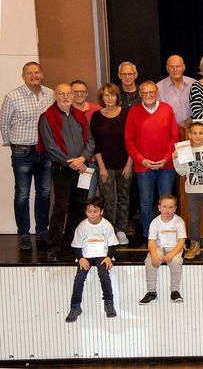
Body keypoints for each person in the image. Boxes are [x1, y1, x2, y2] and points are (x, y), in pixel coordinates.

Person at [39, 84, 96, 261]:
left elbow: (91, 142)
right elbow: (50, 146)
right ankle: (54, 248)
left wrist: (82, 158)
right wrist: (71, 162)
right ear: (55, 96)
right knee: (60, 208)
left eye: (68, 93)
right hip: (62, 169)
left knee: (79, 208)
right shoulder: (47, 117)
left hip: (81, 168)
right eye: (61, 94)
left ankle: (71, 245)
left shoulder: (80, 116)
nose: (65, 96)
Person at [3, 62, 54, 250]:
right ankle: (24, 233)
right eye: (30, 73)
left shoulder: (50, 94)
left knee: (45, 192)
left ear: (42, 74)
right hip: (22, 152)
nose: (34, 75)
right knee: (23, 194)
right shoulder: (12, 96)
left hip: (46, 152)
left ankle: (42, 230)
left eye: (37, 72)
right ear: (23, 75)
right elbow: (4, 125)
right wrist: (15, 145)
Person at [90, 83, 132, 245]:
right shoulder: (96, 117)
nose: (109, 98)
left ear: (117, 97)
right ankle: (108, 230)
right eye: (106, 95)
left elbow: (131, 141)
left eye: (112, 95)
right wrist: (101, 167)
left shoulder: (126, 114)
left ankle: (120, 230)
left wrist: (129, 164)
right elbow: (96, 144)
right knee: (107, 199)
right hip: (105, 165)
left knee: (123, 198)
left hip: (124, 164)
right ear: (101, 98)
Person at [65, 197, 118, 322]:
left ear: (101, 211)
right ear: (86, 212)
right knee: (79, 278)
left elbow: (112, 244)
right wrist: (81, 258)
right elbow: (77, 245)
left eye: (95, 211)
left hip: (101, 255)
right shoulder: (82, 226)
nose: (92, 214)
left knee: (104, 274)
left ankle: (108, 303)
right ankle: (75, 306)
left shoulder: (106, 226)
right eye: (89, 211)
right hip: (86, 255)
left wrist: (109, 257)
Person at [172, 123, 203, 259]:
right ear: (189, 135)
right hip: (192, 190)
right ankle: (195, 245)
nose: (197, 136)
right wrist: (175, 158)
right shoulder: (184, 150)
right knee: (194, 219)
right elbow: (182, 172)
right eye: (194, 133)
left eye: (200, 133)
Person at [139, 195, 186, 305]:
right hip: (159, 247)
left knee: (176, 262)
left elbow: (181, 242)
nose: (167, 210)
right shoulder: (155, 222)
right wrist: (154, 254)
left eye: (171, 207)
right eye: (164, 206)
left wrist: (171, 255)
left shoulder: (179, 222)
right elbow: (151, 242)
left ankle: (175, 291)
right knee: (149, 261)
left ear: (175, 208)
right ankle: (151, 292)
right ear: (159, 207)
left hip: (175, 248)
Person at [157, 55, 196, 125]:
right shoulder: (158, 88)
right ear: (167, 68)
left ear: (183, 67)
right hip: (170, 131)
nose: (175, 69)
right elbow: (157, 114)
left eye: (178, 66)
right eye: (171, 67)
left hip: (194, 131)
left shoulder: (194, 84)